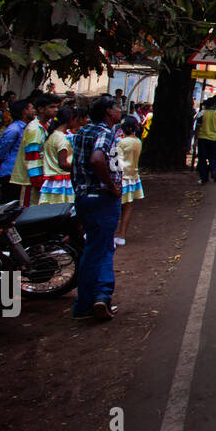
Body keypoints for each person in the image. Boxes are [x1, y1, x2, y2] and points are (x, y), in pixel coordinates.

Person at [71, 95, 124, 320]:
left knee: (94, 248)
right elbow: (96, 159)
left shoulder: (82, 132)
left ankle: (90, 300)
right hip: (101, 198)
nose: (120, 111)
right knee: (101, 248)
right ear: (108, 113)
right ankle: (98, 298)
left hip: (83, 197)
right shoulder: (105, 133)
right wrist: (110, 186)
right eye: (116, 107)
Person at [39, 106, 83, 204]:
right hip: (62, 181)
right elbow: (63, 163)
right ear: (71, 120)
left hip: (53, 181)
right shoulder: (62, 139)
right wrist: (80, 167)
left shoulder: (53, 135)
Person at [0, 98, 32, 204]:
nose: (34, 111)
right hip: (10, 171)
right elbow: (3, 149)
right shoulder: (15, 129)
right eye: (31, 108)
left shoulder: (27, 128)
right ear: (24, 111)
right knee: (9, 203)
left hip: (18, 172)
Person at [115, 115, 144, 246]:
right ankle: (122, 235)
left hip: (121, 176)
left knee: (114, 207)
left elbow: (114, 160)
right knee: (127, 207)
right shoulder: (138, 141)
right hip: (132, 176)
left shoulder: (121, 142)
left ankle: (112, 235)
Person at [195, 95, 216, 184]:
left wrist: (196, 139)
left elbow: (198, 128)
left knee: (202, 158)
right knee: (214, 157)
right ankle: (215, 170)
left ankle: (204, 178)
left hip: (202, 138)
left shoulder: (201, 114)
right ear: (214, 105)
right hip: (213, 138)